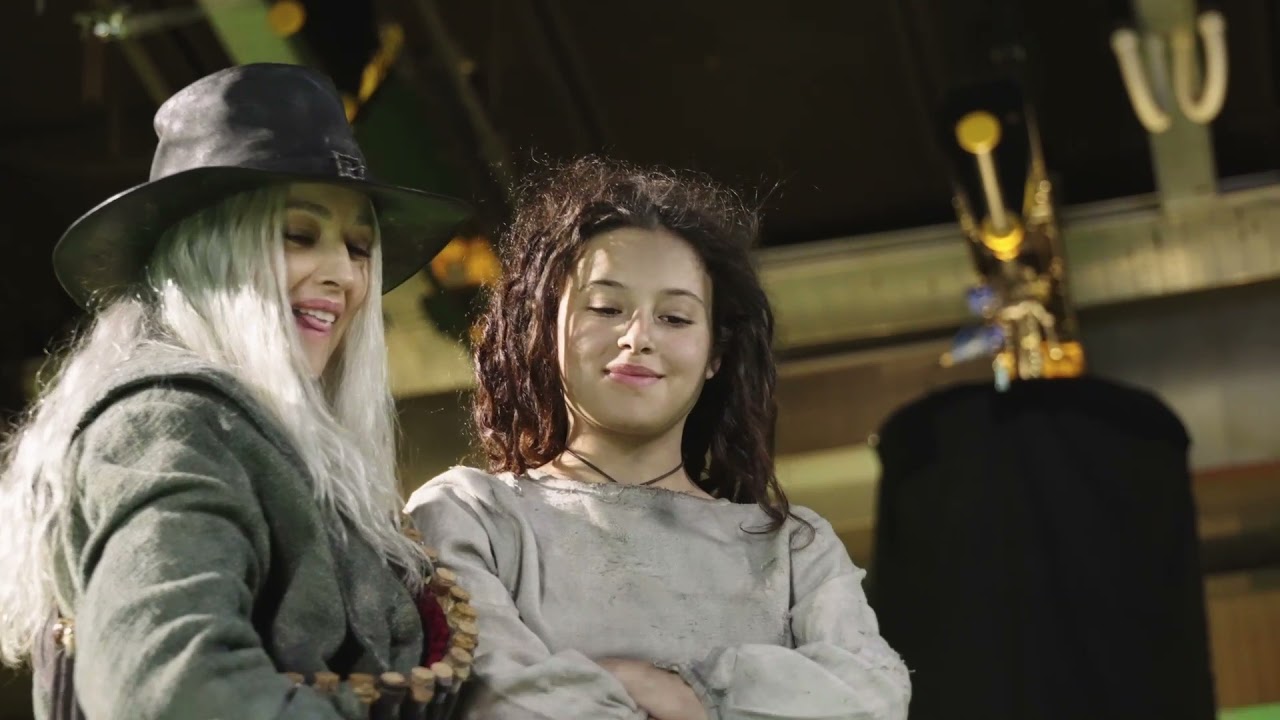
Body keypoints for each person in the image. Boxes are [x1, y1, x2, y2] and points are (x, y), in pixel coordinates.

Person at [0, 63, 471, 720]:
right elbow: (168, 689)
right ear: (210, 252)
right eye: (299, 235)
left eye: (359, 248)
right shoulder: (169, 421)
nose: (342, 274)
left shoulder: (259, 437)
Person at [405, 157, 911, 719]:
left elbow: (874, 696)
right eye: (606, 307)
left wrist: (691, 692)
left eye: (675, 318)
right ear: (546, 328)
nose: (638, 337)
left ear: (715, 355)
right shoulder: (470, 514)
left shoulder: (793, 547)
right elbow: (503, 701)